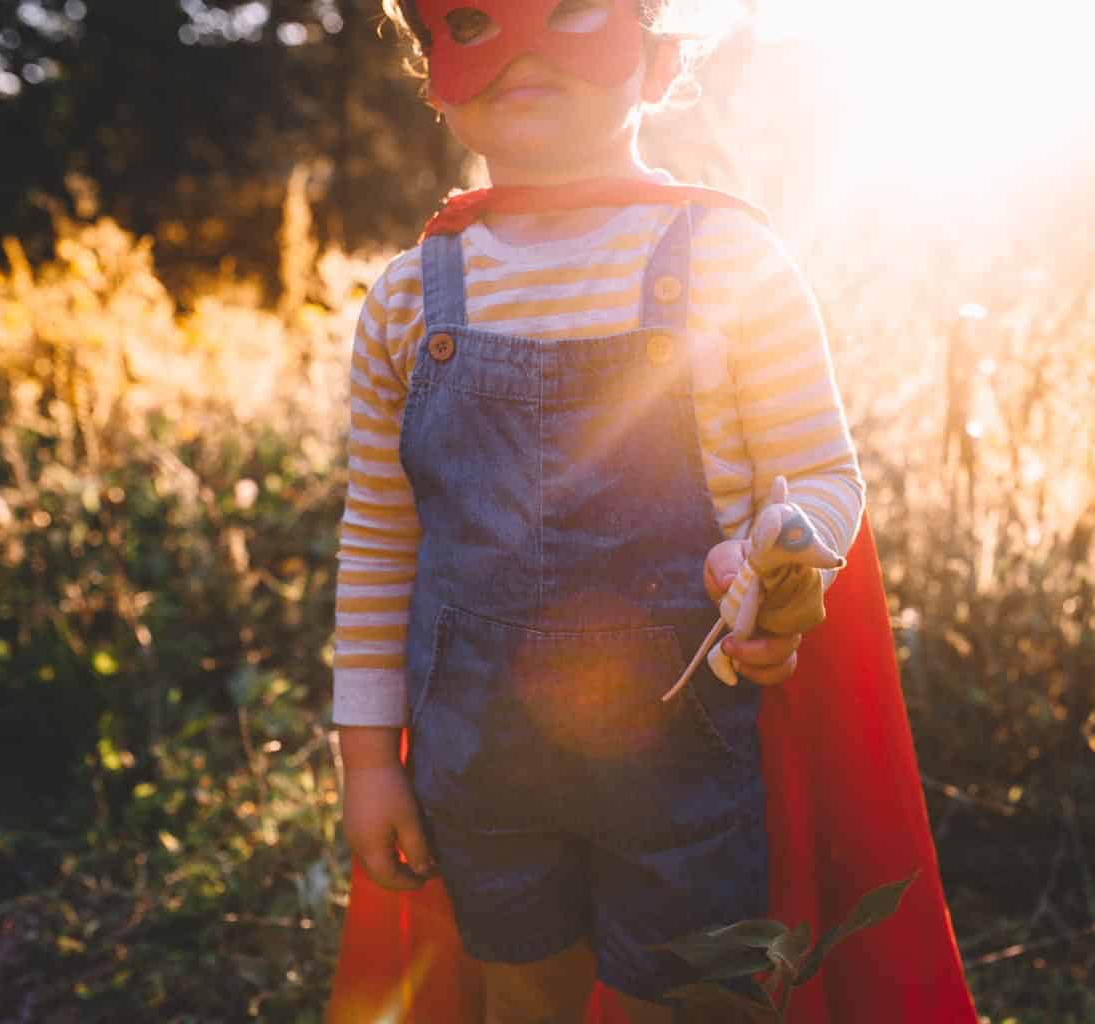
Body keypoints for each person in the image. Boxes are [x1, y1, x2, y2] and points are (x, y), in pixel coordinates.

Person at [328, 1, 979, 1021]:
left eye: (573, 10)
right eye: (471, 20)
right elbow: (378, 540)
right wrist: (368, 763)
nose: (526, 45)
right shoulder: (408, 298)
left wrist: (784, 561)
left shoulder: (733, 262)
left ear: (660, 55)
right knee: (521, 996)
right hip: (481, 766)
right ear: (433, 76)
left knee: (675, 1003)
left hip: (680, 758)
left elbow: (820, 475)